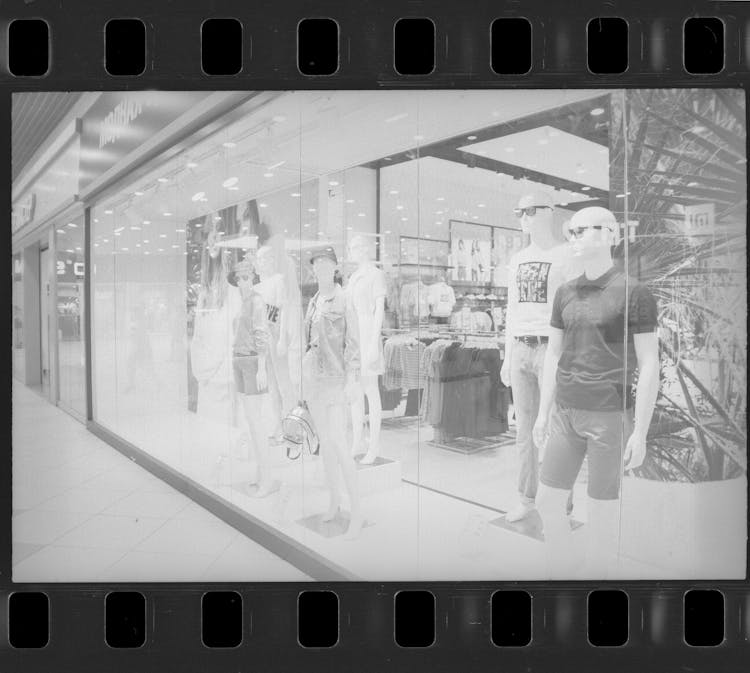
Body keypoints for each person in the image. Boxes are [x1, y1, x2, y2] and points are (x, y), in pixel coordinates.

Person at [533, 206, 660, 579]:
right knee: (547, 503)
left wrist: (641, 430)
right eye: (571, 232)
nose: (573, 238)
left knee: (601, 514)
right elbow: (553, 353)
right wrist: (543, 412)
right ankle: (563, 571)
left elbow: (649, 362)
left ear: (609, 234)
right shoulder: (564, 293)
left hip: (608, 415)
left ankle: (598, 585)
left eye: (582, 231)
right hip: (566, 413)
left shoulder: (635, 292)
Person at [500, 191, 574, 522]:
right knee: (524, 431)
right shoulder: (517, 259)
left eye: (529, 210)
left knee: (557, 430)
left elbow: (574, 309)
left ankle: (561, 505)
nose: (524, 218)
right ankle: (526, 498)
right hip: (520, 348)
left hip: (551, 347)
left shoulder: (567, 255)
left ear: (549, 212)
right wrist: (506, 354)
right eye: (519, 213)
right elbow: (511, 309)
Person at [303, 247, 365, 539]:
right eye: (316, 264)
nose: (320, 268)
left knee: (340, 445)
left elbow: (354, 342)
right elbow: (308, 343)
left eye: (326, 264)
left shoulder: (344, 299)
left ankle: (358, 511)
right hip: (315, 380)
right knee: (326, 446)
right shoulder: (313, 302)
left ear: (335, 267)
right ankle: (334, 503)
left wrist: (353, 378)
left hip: (335, 379)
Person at [229, 259, 276, 497]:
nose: (242, 282)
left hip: (251, 361)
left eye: (246, 278)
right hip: (239, 359)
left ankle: (267, 478)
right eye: (238, 278)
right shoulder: (242, 301)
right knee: (250, 421)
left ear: (253, 278)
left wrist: (261, 367)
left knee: (256, 423)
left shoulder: (256, 301)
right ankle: (260, 475)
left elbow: (261, 332)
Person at [345, 235, 387, 464]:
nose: (353, 250)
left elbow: (379, 310)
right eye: (352, 246)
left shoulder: (375, 274)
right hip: (354, 333)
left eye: (356, 246)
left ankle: (374, 445)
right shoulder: (353, 278)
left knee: (370, 389)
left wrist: (372, 343)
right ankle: (357, 440)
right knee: (355, 390)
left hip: (367, 329)